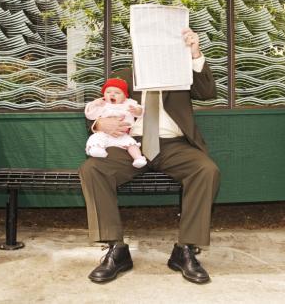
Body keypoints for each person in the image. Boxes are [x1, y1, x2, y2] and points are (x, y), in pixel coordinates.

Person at [79, 28, 220, 284]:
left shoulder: (179, 72)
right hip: (128, 144)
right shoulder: (122, 76)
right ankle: (116, 249)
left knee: (206, 170)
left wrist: (195, 52)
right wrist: (99, 125)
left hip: (174, 145)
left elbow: (208, 91)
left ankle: (185, 249)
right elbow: (96, 108)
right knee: (92, 169)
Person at [84, 77, 147, 168]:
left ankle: (138, 158)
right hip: (104, 133)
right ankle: (98, 150)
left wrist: (136, 111)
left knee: (131, 144)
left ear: (125, 96)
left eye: (117, 93)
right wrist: (94, 104)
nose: (112, 95)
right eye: (108, 92)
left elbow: (141, 111)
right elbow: (90, 115)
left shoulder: (128, 104)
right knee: (96, 138)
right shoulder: (102, 104)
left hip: (122, 135)